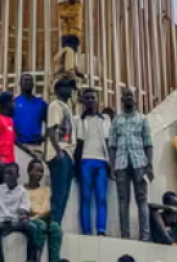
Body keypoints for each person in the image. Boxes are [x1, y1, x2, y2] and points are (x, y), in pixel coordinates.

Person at [109, 87, 154, 241]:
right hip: (121, 164)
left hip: (139, 163)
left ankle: (145, 237)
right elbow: (112, 145)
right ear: (122, 100)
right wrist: (112, 165)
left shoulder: (143, 119)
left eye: (130, 96)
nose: (128, 98)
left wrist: (150, 165)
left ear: (135, 99)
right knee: (123, 200)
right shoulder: (116, 120)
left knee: (142, 200)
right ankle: (125, 236)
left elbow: (148, 143)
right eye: (125, 96)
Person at [74, 87, 112, 236]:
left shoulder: (105, 120)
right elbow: (77, 144)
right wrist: (76, 167)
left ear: (97, 100)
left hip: (102, 162)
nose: (90, 100)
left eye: (93, 98)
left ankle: (101, 230)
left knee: (101, 197)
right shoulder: (78, 120)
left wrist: (111, 164)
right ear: (83, 101)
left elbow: (109, 143)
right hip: (85, 162)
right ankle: (86, 231)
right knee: (85, 198)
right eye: (87, 98)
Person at [0, 162, 37, 262]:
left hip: (17, 222)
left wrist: (22, 217)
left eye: (11, 173)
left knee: (33, 228)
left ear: (17, 176)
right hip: (2, 222)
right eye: (6, 173)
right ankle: (0, 260)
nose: (8, 176)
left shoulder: (23, 191)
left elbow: (23, 211)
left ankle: (30, 259)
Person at [46, 78, 77, 224]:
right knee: (59, 192)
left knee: (64, 193)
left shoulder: (67, 107)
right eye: (66, 86)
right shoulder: (55, 105)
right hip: (60, 153)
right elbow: (51, 129)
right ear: (58, 89)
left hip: (68, 155)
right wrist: (58, 151)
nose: (70, 90)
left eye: (70, 87)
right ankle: (54, 223)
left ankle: (56, 223)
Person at [25, 159, 63, 262]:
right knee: (40, 226)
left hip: (43, 219)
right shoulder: (22, 190)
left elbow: (46, 209)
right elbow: (25, 210)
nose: (40, 174)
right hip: (29, 220)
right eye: (37, 170)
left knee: (56, 228)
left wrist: (35, 215)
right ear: (29, 171)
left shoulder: (46, 190)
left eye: (41, 171)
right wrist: (34, 216)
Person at [14, 73, 48, 159]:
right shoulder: (14, 102)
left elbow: (51, 123)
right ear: (20, 83)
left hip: (36, 146)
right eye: (25, 80)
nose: (28, 82)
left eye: (30, 80)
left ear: (33, 84)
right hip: (18, 145)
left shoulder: (41, 103)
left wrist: (44, 137)